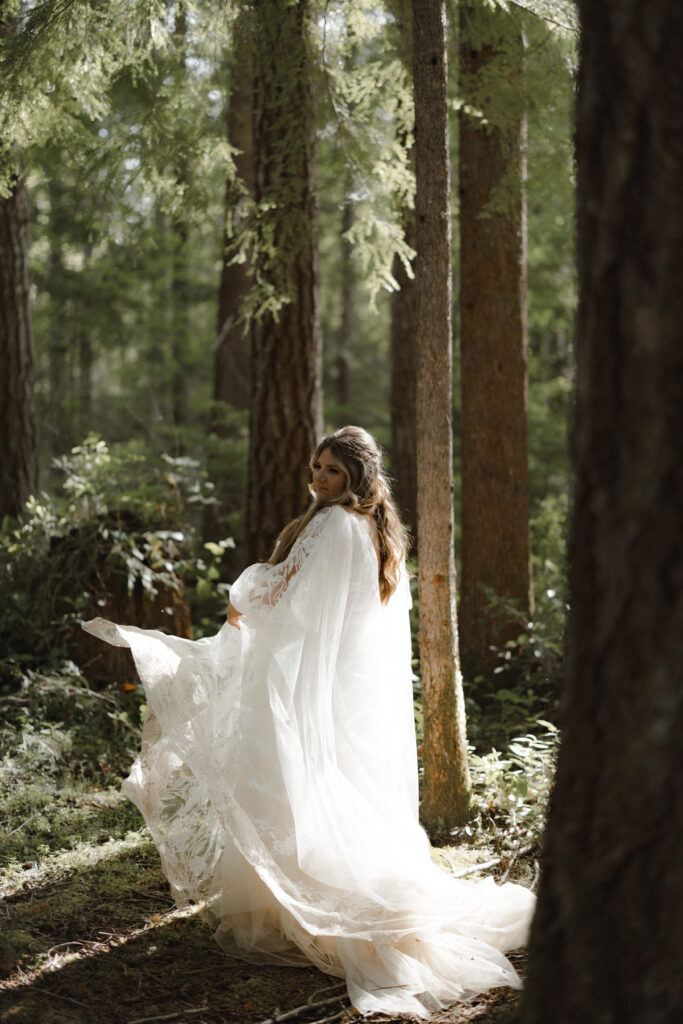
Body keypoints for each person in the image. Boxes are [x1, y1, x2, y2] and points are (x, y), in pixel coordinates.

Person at [83, 426, 534, 1017]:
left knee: (294, 777)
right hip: (337, 682)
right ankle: (287, 899)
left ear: (357, 480)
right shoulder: (376, 530)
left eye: (332, 473)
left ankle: (305, 904)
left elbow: (286, 594)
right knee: (321, 780)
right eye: (316, 468)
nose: (319, 480)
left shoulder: (332, 525)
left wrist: (243, 596)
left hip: (307, 681)